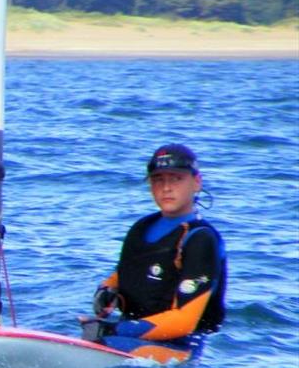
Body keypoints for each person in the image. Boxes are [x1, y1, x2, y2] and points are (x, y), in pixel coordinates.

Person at [81, 143, 227, 344]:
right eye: (158, 180)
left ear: (196, 182)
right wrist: (107, 291)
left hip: (181, 346)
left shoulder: (201, 239)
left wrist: (113, 330)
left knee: (99, 342)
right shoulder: (141, 227)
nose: (166, 188)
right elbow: (124, 274)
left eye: (176, 179)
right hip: (131, 334)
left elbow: (185, 321)